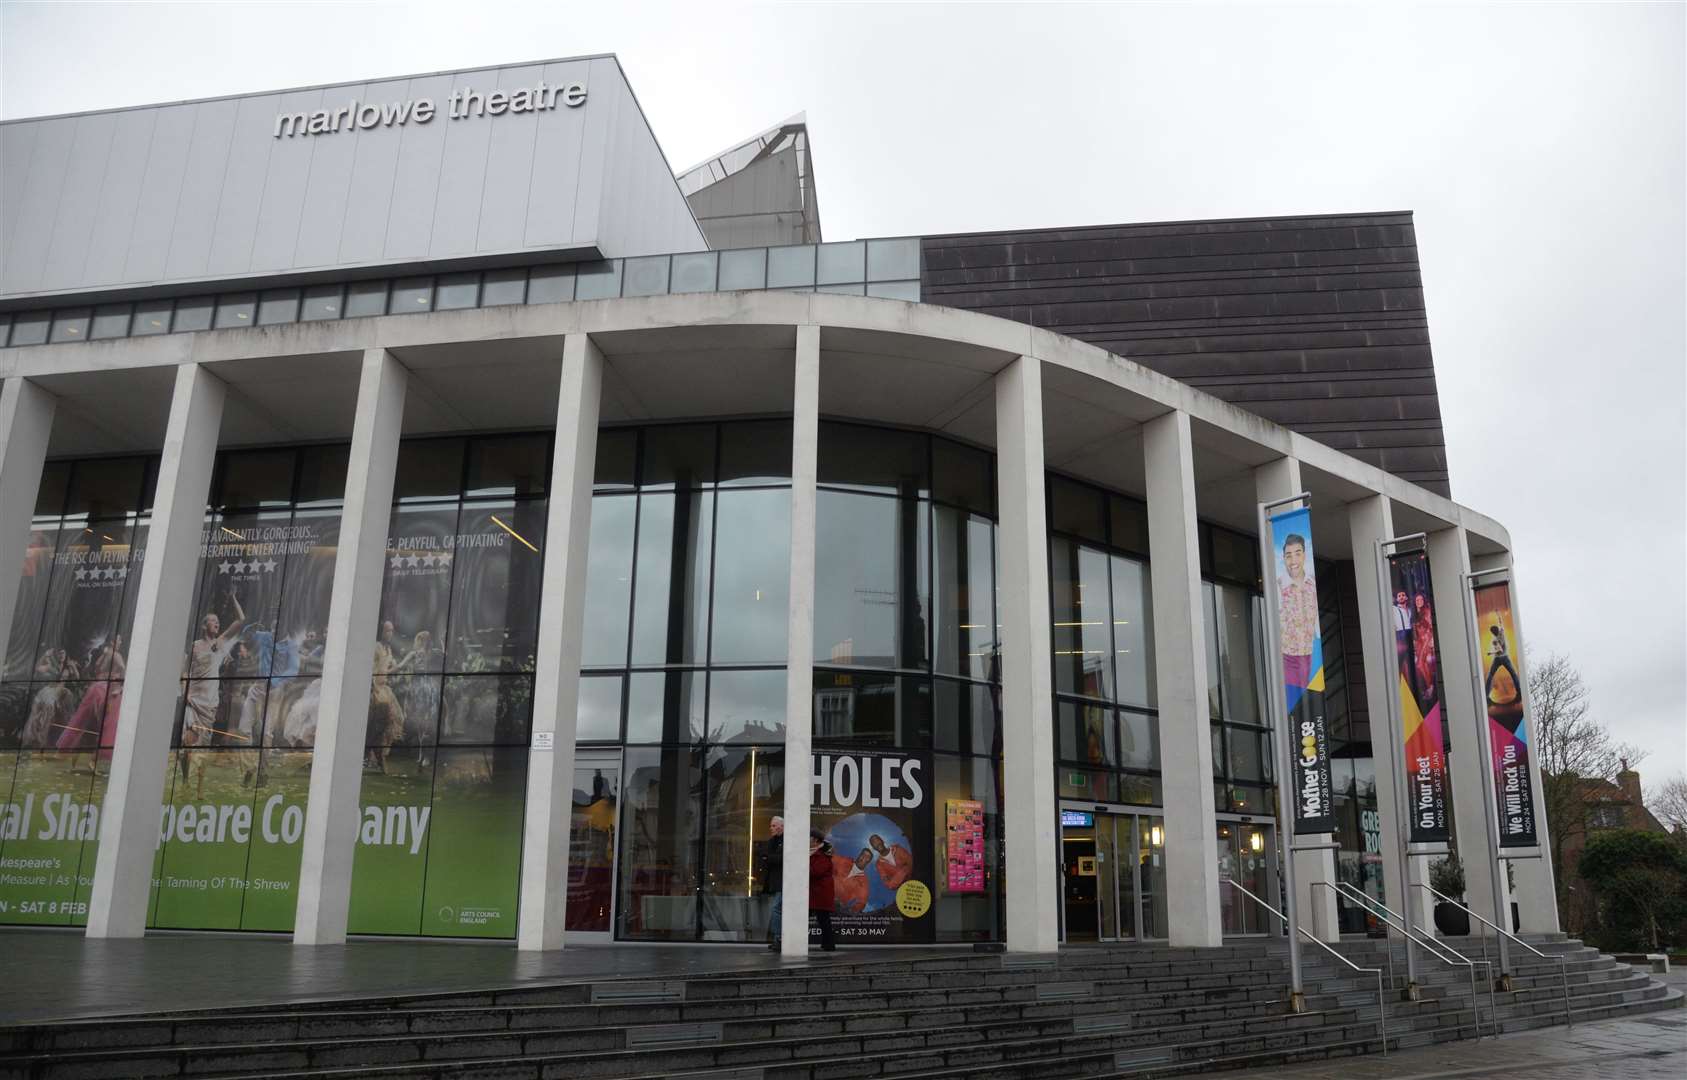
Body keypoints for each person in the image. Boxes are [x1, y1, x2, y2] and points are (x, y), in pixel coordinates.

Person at [181, 594, 245, 793]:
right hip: (193, 700)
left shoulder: (220, 644)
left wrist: (234, 597)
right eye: (213, 621)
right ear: (204, 626)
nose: (216, 623)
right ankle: (185, 780)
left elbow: (241, 620)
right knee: (187, 743)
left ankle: (199, 786)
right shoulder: (195, 647)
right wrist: (185, 694)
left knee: (203, 745)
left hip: (209, 702)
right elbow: (184, 672)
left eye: (218, 621)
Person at [1277, 534, 1318, 690]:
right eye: (1288, 556)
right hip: (1289, 659)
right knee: (1296, 704)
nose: (1293, 561)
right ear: (1283, 558)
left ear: (1304, 555)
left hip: (1311, 655)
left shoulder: (1312, 583)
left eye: (1297, 554)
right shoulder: (1279, 586)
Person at [808, 829, 836, 952]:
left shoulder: (822, 855)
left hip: (820, 892)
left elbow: (816, 872)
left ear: (815, 840)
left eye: (808, 837)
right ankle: (827, 944)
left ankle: (829, 944)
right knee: (822, 918)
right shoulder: (814, 853)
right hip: (814, 892)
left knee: (823, 919)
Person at [760, 816, 784, 950]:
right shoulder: (771, 842)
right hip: (774, 881)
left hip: (783, 882)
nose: (771, 828)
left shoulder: (787, 840)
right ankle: (777, 939)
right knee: (777, 909)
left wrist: (769, 858)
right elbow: (764, 857)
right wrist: (769, 858)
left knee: (776, 908)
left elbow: (782, 858)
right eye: (771, 826)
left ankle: (779, 938)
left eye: (774, 826)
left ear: (782, 826)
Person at [1484, 624, 1520, 705]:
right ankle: (1519, 691)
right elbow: (1501, 623)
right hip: (1504, 657)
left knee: (1490, 675)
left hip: (1499, 658)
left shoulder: (1496, 640)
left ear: (1493, 633)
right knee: (1513, 674)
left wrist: (1491, 653)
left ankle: (1486, 695)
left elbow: (1499, 651)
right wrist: (1498, 615)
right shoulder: (1502, 633)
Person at [834, 847, 873, 913]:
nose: (864, 857)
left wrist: (849, 910)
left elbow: (862, 902)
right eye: (863, 854)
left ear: (868, 862)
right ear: (859, 855)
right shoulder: (845, 860)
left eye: (867, 857)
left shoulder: (864, 882)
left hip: (836, 906)